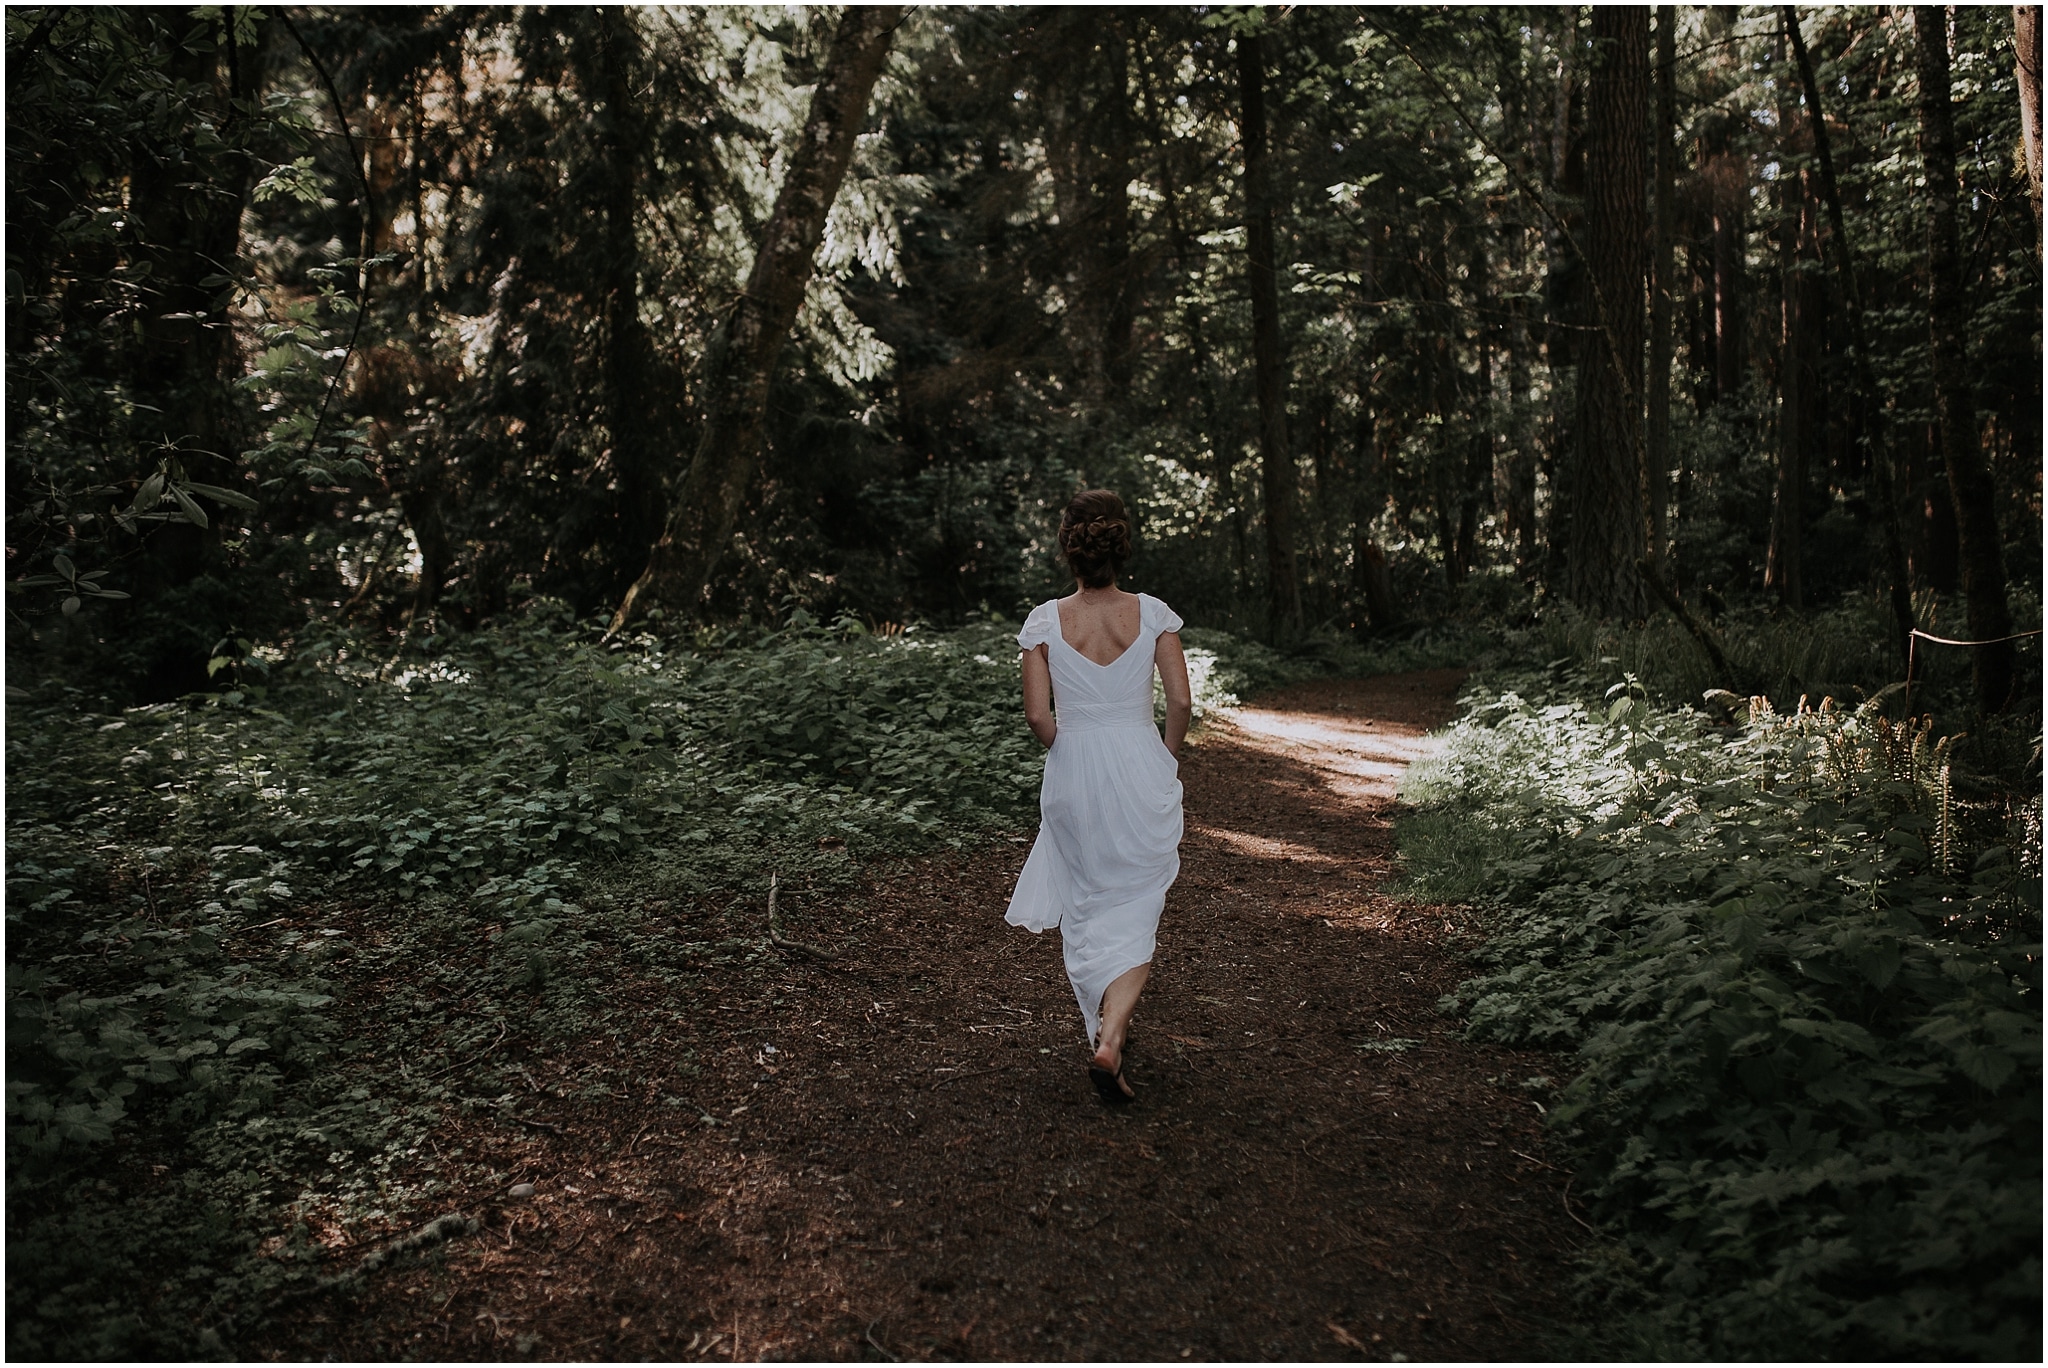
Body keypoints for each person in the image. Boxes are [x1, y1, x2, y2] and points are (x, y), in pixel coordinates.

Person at [1005, 489, 1191, 1104]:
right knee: (1137, 902)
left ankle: (1102, 1034)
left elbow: (1037, 716)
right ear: (1121, 545)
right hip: (1141, 760)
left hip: (1074, 766)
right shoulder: (1154, 613)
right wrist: (1162, 756)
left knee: (1087, 904)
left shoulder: (1044, 622)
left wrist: (1072, 748)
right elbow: (1183, 704)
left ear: (1070, 548)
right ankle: (1111, 1035)